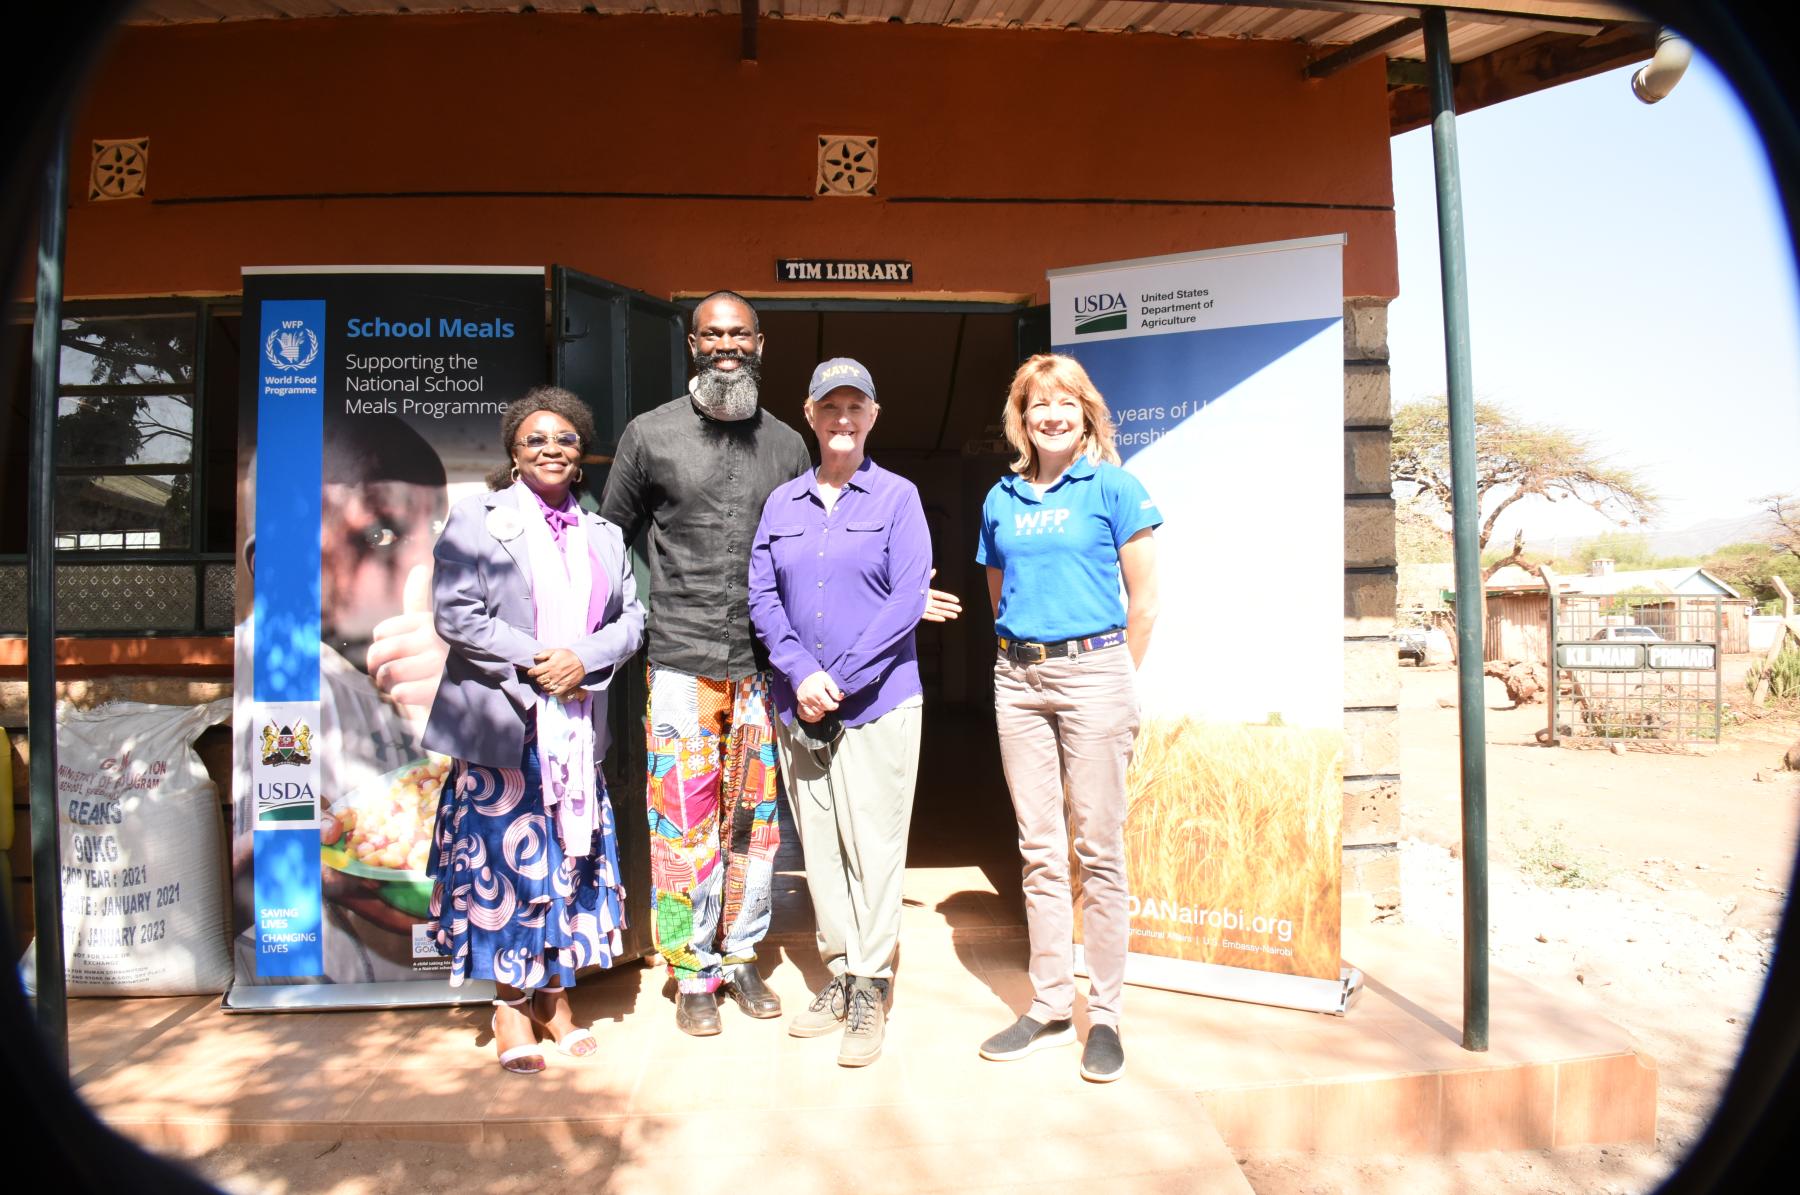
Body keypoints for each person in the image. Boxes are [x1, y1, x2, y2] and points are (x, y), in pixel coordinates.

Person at [602, 291, 961, 1036]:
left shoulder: (788, 448)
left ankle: (739, 955)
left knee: (755, 824)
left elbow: (818, 562)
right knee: (682, 825)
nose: (725, 345)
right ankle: (691, 970)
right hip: (680, 658)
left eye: (739, 334)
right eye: (712, 334)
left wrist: (888, 610)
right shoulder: (648, 434)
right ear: (691, 342)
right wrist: (624, 629)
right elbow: (611, 544)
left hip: (767, 670)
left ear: (759, 343)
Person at [421, 387, 646, 1074]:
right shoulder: (477, 519)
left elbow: (632, 619)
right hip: (504, 726)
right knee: (503, 869)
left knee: (565, 865)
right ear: (514, 453)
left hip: (577, 725)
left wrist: (587, 658)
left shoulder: (604, 534)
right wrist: (542, 659)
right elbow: (456, 614)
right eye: (535, 439)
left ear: (582, 454)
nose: (552, 448)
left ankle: (555, 994)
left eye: (566, 439)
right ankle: (510, 1002)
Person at [974, 353, 1161, 1084]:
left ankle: (1104, 1014)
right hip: (1018, 677)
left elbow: (1143, 601)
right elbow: (999, 594)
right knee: (1041, 849)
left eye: (1063, 403)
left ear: (1086, 413)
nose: (1049, 414)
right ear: (1020, 419)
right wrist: (1027, 658)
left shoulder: (1114, 487)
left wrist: (1109, 679)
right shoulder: (1001, 497)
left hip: (1096, 674)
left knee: (1099, 849)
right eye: (1035, 404)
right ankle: (1051, 1002)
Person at [748, 358, 931, 1067]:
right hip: (803, 704)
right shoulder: (783, 503)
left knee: (874, 847)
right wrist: (800, 672)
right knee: (820, 848)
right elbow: (762, 595)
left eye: (856, 406)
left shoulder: (898, 498)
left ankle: (871, 985)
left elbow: (908, 596)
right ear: (811, 414)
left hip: (878, 703)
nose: (843, 418)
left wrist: (840, 678)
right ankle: (840, 968)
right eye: (831, 407)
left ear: (873, 416)